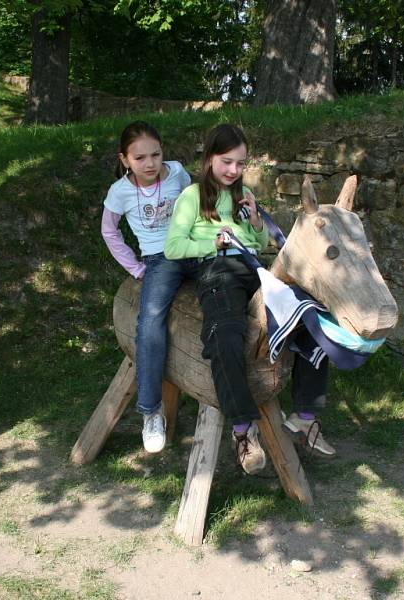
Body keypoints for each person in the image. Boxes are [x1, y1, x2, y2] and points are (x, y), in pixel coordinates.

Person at [165, 124, 333, 475]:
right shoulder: (193, 196)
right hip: (217, 270)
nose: (234, 171)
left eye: (240, 164)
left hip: (254, 269)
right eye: (227, 162)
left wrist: (255, 221)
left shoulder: (243, 194)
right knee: (224, 335)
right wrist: (213, 244)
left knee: (312, 317)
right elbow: (173, 246)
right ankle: (243, 431)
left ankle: (304, 417)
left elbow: (258, 244)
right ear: (210, 157)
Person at [101, 121, 198, 454]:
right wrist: (134, 267)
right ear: (125, 159)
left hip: (193, 246)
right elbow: (109, 232)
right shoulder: (120, 192)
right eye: (140, 157)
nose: (150, 163)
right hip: (160, 258)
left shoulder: (177, 174)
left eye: (155, 154)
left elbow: (195, 204)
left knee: (231, 288)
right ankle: (151, 411)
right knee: (151, 321)